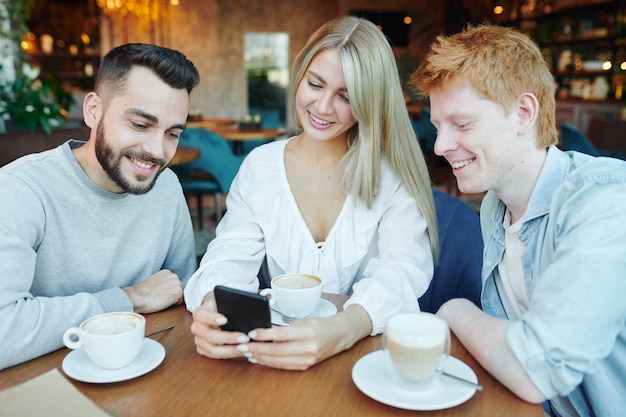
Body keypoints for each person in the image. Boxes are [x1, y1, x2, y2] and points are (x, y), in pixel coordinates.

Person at [184, 16, 438, 370]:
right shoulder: (260, 167)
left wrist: (343, 329)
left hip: (363, 357)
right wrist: (213, 303)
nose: (321, 107)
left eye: (345, 96)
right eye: (315, 84)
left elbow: (401, 271)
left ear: (370, 102)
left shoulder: (392, 175)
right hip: (277, 356)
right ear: (300, 74)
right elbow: (228, 255)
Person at [411, 24, 626, 417]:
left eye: (462, 124)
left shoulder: (604, 201)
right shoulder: (496, 205)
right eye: (439, 126)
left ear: (524, 113)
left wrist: (454, 310)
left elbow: (537, 368)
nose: (440, 146)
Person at [0, 43, 200, 370]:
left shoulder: (166, 187)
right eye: (140, 124)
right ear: (93, 110)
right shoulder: (20, 189)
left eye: (172, 133)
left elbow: (181, 297)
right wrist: (129, 298)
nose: (157, 150)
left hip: (144, 373)